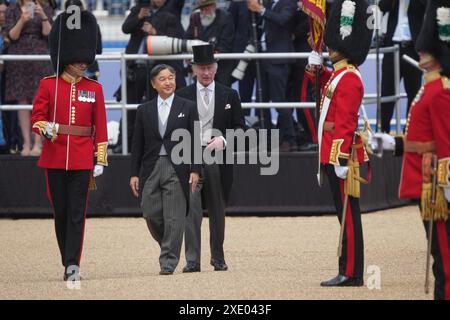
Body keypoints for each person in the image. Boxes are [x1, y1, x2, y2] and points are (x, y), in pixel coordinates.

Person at [371, 0, 450, 300]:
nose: (420, 51)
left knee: (445, 264)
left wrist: (446, 185)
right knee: (439, 261)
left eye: (425, 49)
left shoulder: (441, 90)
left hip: (435, 185)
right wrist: (394, 144)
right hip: (424, 181)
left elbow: (445, 143)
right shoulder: (430, 88)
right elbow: (422, 137)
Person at [31, 8, 107, 281]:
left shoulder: (94, 88)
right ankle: (67, 257)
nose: (83, 63)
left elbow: (100, 128)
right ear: (66, 59)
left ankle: (73, 263)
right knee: (60, 211)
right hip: (53, 157)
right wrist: (46, 129)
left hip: (82, 158)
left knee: (77, 212)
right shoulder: (48, 85)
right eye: (78, 59)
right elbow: (36, 118)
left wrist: (100, 159)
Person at [307, 0, 373, 286]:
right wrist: (315, 67)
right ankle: (348, 268)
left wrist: (339, 158)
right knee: (343, 214)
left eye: (331, 45)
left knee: (348, 215)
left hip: (341, 156)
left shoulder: (349, 78)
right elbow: (323, 100)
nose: (328, 48)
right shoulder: (340, 75)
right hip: (334, 153)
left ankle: (351, 271)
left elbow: (344, 123)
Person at [176, 44, 245, 273]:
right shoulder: (182, 95)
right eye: (201, 68)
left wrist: (224, 140)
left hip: (218, 158)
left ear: (216, 68)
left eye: (209, 68)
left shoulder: (230, 94)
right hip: (191, 158)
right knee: (191, 210)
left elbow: (240, 128)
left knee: (217, 209)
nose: (205, 73)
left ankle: (218, 257)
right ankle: (192, 260)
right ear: (194, 69)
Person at [130, 64, 201, 275]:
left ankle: (168, 261)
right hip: (151, 167)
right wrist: (134, 173)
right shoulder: (144, 109)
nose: (168, 82)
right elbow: (137, 144)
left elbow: (195, 140)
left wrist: (195, 169)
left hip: (177, 167)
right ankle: (170, 243)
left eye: (171, 77)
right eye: (162, 79)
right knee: (150, 213)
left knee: (174, 216)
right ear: (154, 84)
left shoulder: (187, 106)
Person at [116, 0, 185, 154]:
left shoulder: (169, 15)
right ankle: (124, 143)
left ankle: (156, 144)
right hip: (135, 67)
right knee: (130, 107)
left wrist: (155, 33)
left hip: (156, 68)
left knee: (157, 107)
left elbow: (173, 39)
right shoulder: (138, 10)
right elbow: (126, 28)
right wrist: (139, 17)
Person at [4, 0, 53, 156]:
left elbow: (49, 34)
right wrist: (22, 20)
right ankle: (26, 142)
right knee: (22, 100)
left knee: (39, 101)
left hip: (40, 58)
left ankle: (38, 143)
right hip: (19, 59)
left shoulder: (44, 7)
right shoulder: (12, 9)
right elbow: (12, 35)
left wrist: (43, 16)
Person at [247, 0, 298, 152]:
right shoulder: (269, 3)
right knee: (262, 101)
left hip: (279, 59)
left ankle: (290, 139)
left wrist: (260, 9)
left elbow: (282, 19)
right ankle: (268, 139)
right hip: (264, 57)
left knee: (279, 101)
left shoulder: (289, 3)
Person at [379, 0, 427, 133]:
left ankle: (409, 133)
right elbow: (383, 6)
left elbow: (428, 6)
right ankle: (383, 132)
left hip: (413, 48)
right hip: (392, 46)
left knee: (413, 93)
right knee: (387, 91)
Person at [185, 0, 234, 87]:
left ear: (215, 5)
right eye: (202, 7)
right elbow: (187, 39)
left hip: (220, 67)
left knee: (221, 96)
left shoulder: (225, 17)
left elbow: (226, 44)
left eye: (209, 6)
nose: (205, 10)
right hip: (199, 67)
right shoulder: (195, 17)